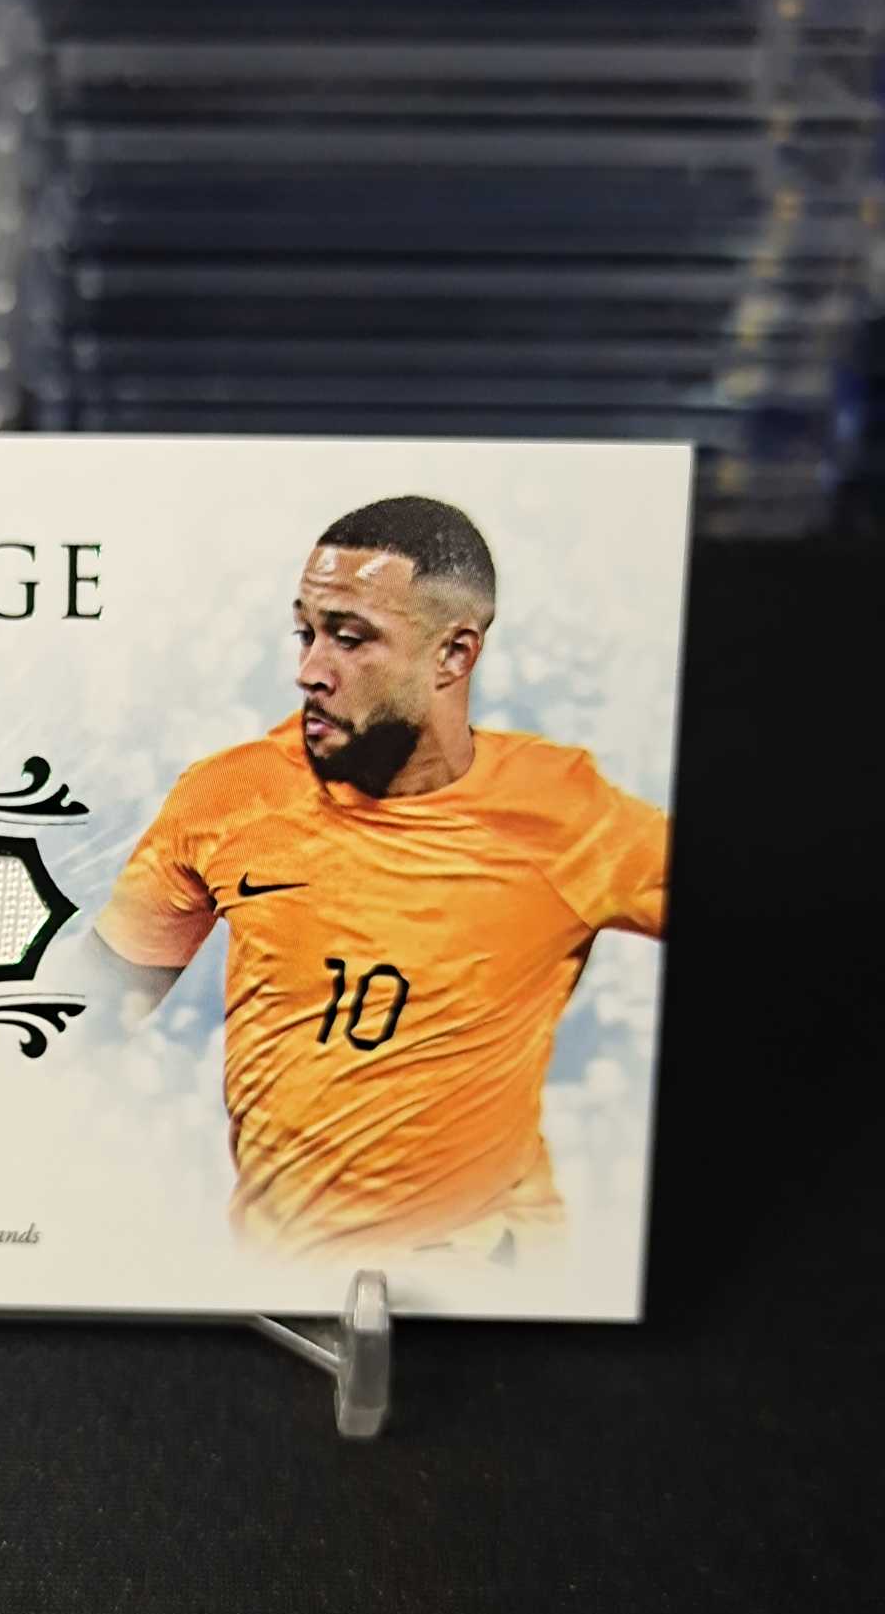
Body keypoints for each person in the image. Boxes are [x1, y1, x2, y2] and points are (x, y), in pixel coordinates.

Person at [91, 496, 669, 1260]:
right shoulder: (229, 796)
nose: (309, 673)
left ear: (453, 655)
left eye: (350, 638)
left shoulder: (566, 813)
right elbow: (85, 1015)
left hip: (487, 1273)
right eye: (306, 633)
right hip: (274, 1275)